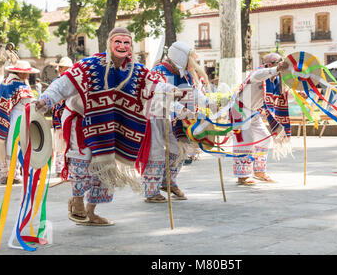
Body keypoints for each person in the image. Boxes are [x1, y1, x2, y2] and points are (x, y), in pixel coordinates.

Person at [34, 27, 186, 225]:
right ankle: (77, 202)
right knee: (82, 161)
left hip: (110, 126)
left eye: (126, 43)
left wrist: (170, 90)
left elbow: (155, 85)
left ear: (131, 46)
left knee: (104, 167)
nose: (122, 46)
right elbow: (63, 85)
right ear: (109, 44)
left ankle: (91, 211)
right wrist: (45, 100)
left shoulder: (136, 71)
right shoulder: (89, 66)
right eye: (118, 42)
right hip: (82, 122)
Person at [143, 41, 209, 203]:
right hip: (155, 117)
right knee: (156, 152)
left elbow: (191, 93)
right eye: (188, 57)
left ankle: (168, 182)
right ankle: (151, 191)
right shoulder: (158, 72)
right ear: (180, 57)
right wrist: (181, 110)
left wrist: (209, 103)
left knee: (179, 150)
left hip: (175, 119)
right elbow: (159, 98)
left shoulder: (184, 74)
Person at [230, 53, 293, 185]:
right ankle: (243, 176)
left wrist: (300, 96)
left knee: (265, 138)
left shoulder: (276, 81)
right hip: (240, 110)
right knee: (245, 141)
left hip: (253, 112)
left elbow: (282, 96)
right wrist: (275, 70)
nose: (281, 68)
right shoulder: (258, 73)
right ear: (269, 65)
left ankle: (259, 171)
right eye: (278, 64)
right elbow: (259, 75)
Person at [0, 60, 39, 184]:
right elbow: (30, 102)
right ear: (20, 73)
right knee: (17, 144)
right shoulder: (20, 86)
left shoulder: (4, 83)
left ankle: (5, 173)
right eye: (26, 73)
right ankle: (15, 173)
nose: (28, 76)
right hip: (19, 117)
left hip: (5, 117)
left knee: (6, 142)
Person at [49, 56, 74, 177]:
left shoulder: (73, 82)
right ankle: (60, 168)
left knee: (71, 141)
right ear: (60, 69)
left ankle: (69, 167)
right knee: (59, 142)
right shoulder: (56, 82)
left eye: (70, 68)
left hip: (70, 116)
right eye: (65, 68)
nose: (67, 70)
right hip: (59, 117)